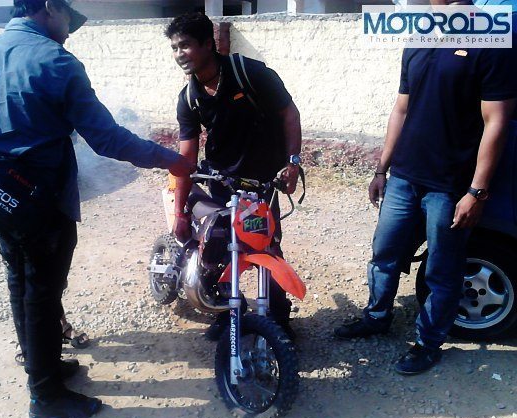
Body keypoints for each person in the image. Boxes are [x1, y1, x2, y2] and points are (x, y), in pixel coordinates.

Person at [0, 0, 192, 418]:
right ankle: (46, 398)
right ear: (47, 7)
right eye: (67, 18)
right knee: (42, 291)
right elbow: (107, 138)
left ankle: (40, 365)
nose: (69, 30)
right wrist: (172, 160)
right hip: (42, 197)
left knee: (20, 280)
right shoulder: (56, 61)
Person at [334, 1, 517, 374]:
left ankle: (428, 343)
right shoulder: (419, 37)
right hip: (403, 177)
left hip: (450, 184)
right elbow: (401, 109)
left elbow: (496, 121)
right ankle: (376, 316)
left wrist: (477, 191)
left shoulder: (491, 39)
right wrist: (382, 169)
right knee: (384, 253)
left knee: (442, 268)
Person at [165, 12, 302, 340]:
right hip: (220, 181)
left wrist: (293, 163)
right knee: (218, 247)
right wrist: (180, 211)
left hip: (262, 182)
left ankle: (278, 319)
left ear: (207, 44)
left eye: (185, 45)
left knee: (266, 246)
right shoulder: (188, 98)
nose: (179, 54)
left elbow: (289, 114)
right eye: (174, 48)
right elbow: (186, 159)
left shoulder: (250, 73)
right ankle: (228, 312)